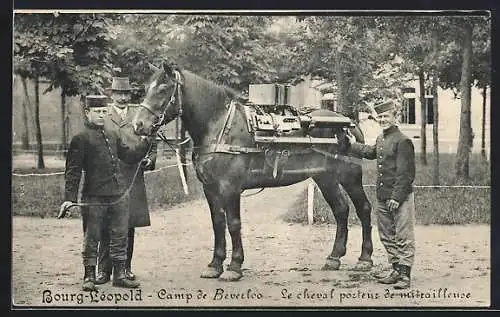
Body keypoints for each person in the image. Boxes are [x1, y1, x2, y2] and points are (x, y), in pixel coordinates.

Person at [59, 95, 152, 291]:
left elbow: (129, 156)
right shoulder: (80, 139)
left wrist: (146, 141)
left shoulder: (112, 134)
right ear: (87, 113)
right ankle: (89, 276)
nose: (101, 115)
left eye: (104, 112)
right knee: (92, 237)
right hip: (94, 197)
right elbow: (73, 172)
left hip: (119, 196)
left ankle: (119, 275)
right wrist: (69, 199)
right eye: (97, 112)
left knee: (120, 236)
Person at [346, 100, 416, 290]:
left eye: (386, 116)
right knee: (386, 235)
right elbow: (370, 153)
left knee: (403, 235)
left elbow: (405, 175)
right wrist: (353, 145)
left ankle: (404, 275)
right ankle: (395, 269)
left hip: (398, 197)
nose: (383, 120)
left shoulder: (403, 141)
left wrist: (396, 197)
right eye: (380, 117)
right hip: (383, 196)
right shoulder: (382, 139)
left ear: (395, 118)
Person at [95, 77, 158, 285]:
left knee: (128, 224)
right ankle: (103, 270)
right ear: (111, 95)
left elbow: (152, 138)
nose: (122, 97)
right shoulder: (104, 115)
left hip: (132, 176)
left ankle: (125, 269)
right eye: (118, 93)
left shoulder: (137, 114)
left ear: (130, 95)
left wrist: (150, 158)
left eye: (125, 93)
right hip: (109, 176)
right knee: (106, 223)